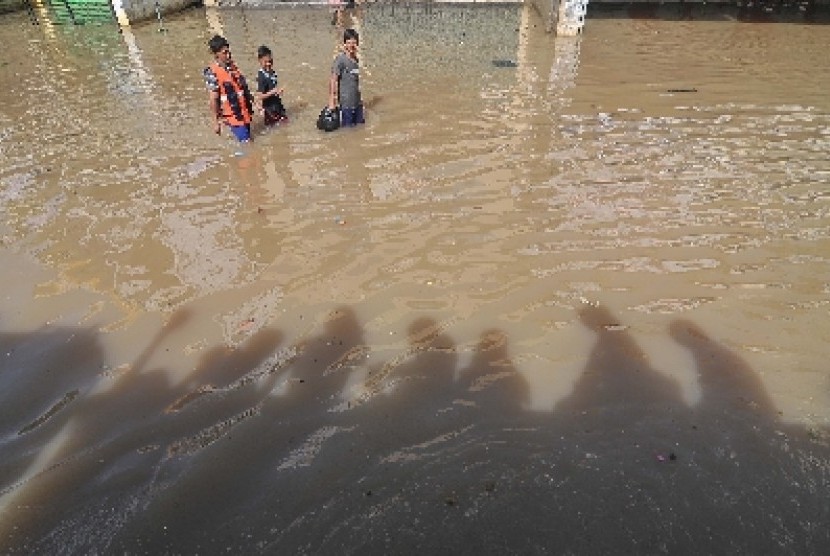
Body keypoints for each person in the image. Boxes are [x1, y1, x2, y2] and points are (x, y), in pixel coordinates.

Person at [203, 35, 254, 142]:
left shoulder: (232, 66)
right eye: (224, 53)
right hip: (232, 116)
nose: (229, 55)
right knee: (246, 143)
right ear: (216, 54)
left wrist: (256, 104)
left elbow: (243, 88)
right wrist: (216, 122)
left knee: (248, 141)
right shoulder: (212, 72)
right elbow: (213, 99)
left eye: (228, 51)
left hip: (244, 113)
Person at [328, 28, 364, 127]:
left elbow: (355, 82)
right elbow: (333, 80)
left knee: (360, 129)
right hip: (346, 105)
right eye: (349, 43)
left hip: (357, 103)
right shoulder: (340, 60)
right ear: (345, 44)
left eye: (354, 43)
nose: (351, 46)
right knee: (347, 131)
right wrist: (332, 102)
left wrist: (360, 100)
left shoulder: (356, 59)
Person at [255, 45, 288, 126]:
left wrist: (278, 92)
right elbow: (260, 96)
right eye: (265, 62)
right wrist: (272, 92)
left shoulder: (272, 72)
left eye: (270, 61)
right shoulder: (261, 77)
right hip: (269, 109)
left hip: (277, 105)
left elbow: (273, 88)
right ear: (259, 61)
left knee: (285, 125)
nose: (268, 64)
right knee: (274, 128)